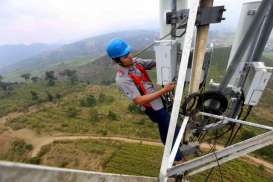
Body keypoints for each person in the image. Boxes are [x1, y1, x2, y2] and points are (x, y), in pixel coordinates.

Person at [106, 38, 183, 162]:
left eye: (129, 53)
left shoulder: (136, 62)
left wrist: (168, 57)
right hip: (153, 108)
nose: (130, 57)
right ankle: (177, 157)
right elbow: (139, 100)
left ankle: (173, 149)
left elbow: (152, 63)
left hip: (158, 100)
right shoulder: (123, 78)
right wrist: (164, 90)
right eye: (125, 57)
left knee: (166, 126)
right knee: (171, 128)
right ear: (117, 60)